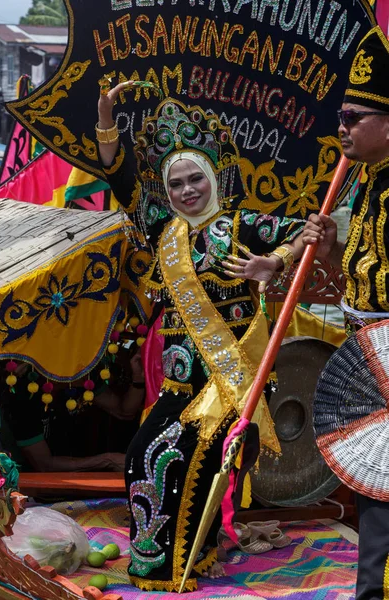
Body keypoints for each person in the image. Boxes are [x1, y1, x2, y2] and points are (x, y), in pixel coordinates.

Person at [96, 85, 305, 591]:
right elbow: (118, 174)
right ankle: (185, 556)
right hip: (178, 385)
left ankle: (178, 565)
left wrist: (273, 261)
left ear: (213, 176)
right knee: (148, 455)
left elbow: (306, 230)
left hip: (226, 380)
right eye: (176, 185)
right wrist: (106, 115)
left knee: (176, 457)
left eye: (195, 179)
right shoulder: (162, 229)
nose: (188, 191)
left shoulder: (240, 225)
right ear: (165, 193)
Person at [303, 25, 389, 600]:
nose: (342, 128)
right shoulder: (368, 184)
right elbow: (360, 287)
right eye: (341, 117)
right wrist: (331, 252)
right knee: (374, 498)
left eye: (354, 116)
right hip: (369, 360)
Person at [0, 347, 145, 473]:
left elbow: (124, 411)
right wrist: (108, 460)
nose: (88, 368)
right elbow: (44, 465)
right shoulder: (23, 396)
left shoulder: (85, 379)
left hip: (82, 478)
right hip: (33, 492)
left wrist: (139, 377)